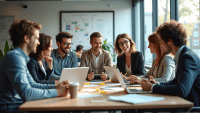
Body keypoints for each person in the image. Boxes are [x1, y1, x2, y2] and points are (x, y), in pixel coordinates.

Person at [0, 20, 69, 113]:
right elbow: (27, 93)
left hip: (19, 104)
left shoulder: (22, 58)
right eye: (36, 38)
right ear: (26, 39)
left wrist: (57, 87)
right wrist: (58, 92)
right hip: (10, 108)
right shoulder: (14, 57)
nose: (39, 43)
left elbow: (32, 85)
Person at [141, 20, 200, 111]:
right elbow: (175, 81)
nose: (160, 45)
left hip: (190, 108)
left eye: (161, 41)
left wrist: (152, 87)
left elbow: (182, 90)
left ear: (169, 41)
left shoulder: (187, 58)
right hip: (181, 104)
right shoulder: (182, 55)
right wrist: (157, 84)